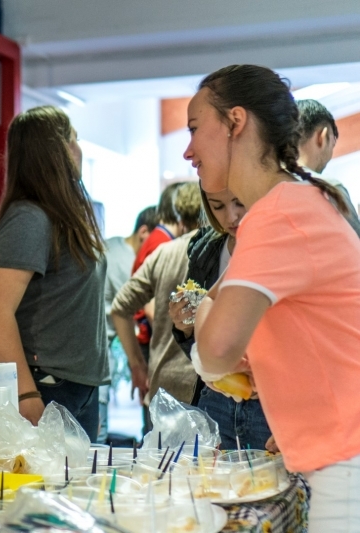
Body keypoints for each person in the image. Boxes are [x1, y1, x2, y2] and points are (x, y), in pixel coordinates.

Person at [188, 64, 360, 530]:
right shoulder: (296, 203)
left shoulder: (279, 214)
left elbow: (216, 350)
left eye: (195, 129)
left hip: (345, 460)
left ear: (235, 122)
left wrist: (204, 308)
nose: (188, 150)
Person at [0, 105, 109, 441]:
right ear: (54, 151)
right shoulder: (30, 217)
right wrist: (26, 393)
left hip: (77, 386)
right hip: (47, 385)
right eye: (73, 139)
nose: (79, 149)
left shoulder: (61, 216)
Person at [169, 186, 272, 451]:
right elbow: (200, 343)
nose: (231, 217)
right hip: (216, 396)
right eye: (217, 206)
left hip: (270, 398)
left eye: (239, 203)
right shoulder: (205, 249)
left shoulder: (275, 243)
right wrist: (185, 328)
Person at [111, 182, 202, 407]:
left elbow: (120, 307)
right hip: (203, 383)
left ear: (179, 216)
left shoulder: (164, 253)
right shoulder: (221, 250)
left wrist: (137, 364)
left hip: (164, 381)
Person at [98, 205, 156, 443]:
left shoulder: (110, 245)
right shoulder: (129, 262)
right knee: (96, 438)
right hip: (96, 354)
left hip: (92, 350)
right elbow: (147, 309)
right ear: (144, 233)